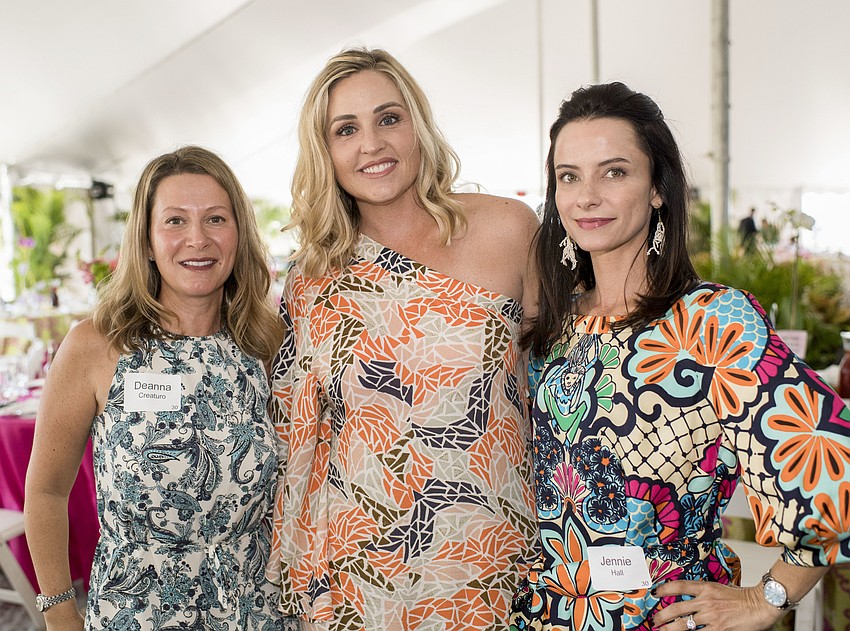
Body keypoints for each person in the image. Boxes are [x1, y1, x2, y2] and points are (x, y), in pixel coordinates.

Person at [510, 82, 850, 631]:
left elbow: (830, 465)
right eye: (568, 176)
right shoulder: (548, 324)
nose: (586, 196)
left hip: (664, 616)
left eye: (614, 172)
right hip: (542, 614)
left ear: (657, 190)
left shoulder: (710, 321)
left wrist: (767, 597)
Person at [266, 47, 540, 630]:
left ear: (418, 125)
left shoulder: (508, 229)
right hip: (356, 575)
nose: (372, 144)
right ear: (326, 153)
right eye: (346, 129)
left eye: (389, 118)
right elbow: (300, 443)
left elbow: (565, 382)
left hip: (492, 561)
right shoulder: (310, 280)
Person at [24, 146, 287, 631]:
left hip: (255, 615)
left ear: (238, 234)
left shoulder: (266, 344)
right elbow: (45, 491)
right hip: (136, 615)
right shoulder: (96, 346)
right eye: (174, 221)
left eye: (215, 219)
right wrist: (60, 612)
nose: (197, 239)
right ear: (145, 240)